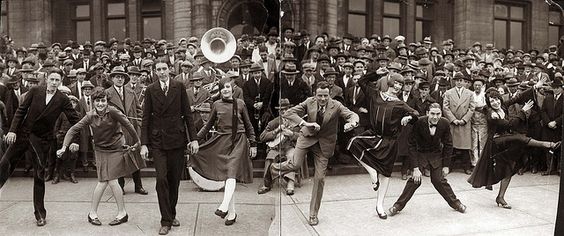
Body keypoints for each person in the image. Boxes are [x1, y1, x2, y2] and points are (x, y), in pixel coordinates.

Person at [266, 81, 359, 226]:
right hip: (306, 138)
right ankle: (274, 168)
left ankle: (313, 214)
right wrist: (306, 124)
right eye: (319, 95)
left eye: (325, 96)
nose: (322, 99)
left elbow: (351, 114)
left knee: (320, 179)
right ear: (315, 95)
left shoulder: (336, 105)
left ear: (329, 94)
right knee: (295, 164)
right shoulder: (309, 102)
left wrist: (352, 123)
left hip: (324, 145)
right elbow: (290, 113)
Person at [0, 69, 81, 227]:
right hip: (23, 134)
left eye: (57, 80)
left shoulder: (62, 99)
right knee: (4, 165)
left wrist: (75, 139)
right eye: (52, 79)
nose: (54, 83)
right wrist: (12, 131)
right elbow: (21, 110)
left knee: (39, 176)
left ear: (61, 81)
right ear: (46, 79)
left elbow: (75, 120)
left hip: (42, 140)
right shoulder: (35, 90)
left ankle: (40, 214)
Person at [57, 87, 144, 226]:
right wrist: (64, 147)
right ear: (93, 102)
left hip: (116, 148)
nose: (100, 104)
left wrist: (138, 142)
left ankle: (102, 213)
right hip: (100, 150)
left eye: (103, 101)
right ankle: (116, 213)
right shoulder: (90, 115)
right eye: (97, 101)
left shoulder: (114, 112)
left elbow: (128, 125)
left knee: (109, 181)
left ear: (107, 101)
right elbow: (74, 129)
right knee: (106, 181)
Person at [468, 87, 560, 209]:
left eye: (496, 99)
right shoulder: (492, 114)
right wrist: (523, 111)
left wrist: (534, 87)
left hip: (506, 141)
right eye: (492, 101)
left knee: (508, 169)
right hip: (496, 142)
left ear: (500, 99)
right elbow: (510, 124)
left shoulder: (503, 106)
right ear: (489, 103)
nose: (495, 102)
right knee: (519, 138)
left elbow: (517, 98)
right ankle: (548, 144)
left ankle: (500, 197)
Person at [347, 71, 418, 220]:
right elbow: (362, 82)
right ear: (389, 82)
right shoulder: (375, 95)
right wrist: (375, 73)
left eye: (401, 84)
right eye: (396, 83)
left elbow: (416, 114)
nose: (398, 87)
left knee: (385, 175)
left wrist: (409, 117)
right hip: (373, 135)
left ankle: (380, 206)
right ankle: (372, 173)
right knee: (352, 143)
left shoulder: (400, 104)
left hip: (389, 142)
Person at [140, 60, 199, 235]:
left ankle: (172, 213)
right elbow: (145, 119)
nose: (162, 72)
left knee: (174, 181)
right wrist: (144, 144)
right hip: (158, 142)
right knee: (161, 180)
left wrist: (193, 139)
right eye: (158, 69)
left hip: (177, 140)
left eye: (164, 68)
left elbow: (188, 115)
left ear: (169, 70)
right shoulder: (151, 90)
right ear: (155, 72)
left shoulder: (179, 87)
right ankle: (165, 220)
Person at [190, 78, 257, 226]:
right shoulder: (216, 104)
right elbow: (207, 126)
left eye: (228, 87)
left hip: (238, 140)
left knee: (231, 172)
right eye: (222, 88)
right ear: (220, 91)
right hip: (222, 141)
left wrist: (253, 144)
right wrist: (196, 140)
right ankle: (232, 213)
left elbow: (249, 125)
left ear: (232, 89)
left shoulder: (240, 103)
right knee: (228, 178)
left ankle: (224, 206)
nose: (225, 90)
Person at [388, 103, 467, 216]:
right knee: (415, 181)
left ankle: (456, 204)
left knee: (438, 180)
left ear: (441, 114)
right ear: (427, 113)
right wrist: (415, 168)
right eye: (432, 114)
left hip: (435, 154)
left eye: (438, 114)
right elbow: (411, 145)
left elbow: (448, 144)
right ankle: (398, 206)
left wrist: (446, 165)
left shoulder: (444, 123)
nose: (435, 117)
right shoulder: (419, 122)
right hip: (420, 153)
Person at [106, 66, 147, 195]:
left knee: (135, 157)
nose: (119, 79)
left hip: (131, 130)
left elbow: (139, 110)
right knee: (119, 160)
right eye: (117, 76)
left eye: (122, 77)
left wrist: (139, 124)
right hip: (116, 132)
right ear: (112, 78)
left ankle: (138, 186)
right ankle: (120, 187)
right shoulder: (107, 93)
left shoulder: (131, 92)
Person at [257, 98, 301, 195]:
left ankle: (290, 183)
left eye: (286, 109)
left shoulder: (296, 121)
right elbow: (262, 137)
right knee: (270, 158)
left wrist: (292, 134)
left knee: (292, 157)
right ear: (279, 111)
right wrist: (276, 130)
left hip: (289, 146)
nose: (284, 112)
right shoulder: (274, 122)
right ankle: (266, 184)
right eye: (282, 110)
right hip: (276, 147)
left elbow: (302, 137)